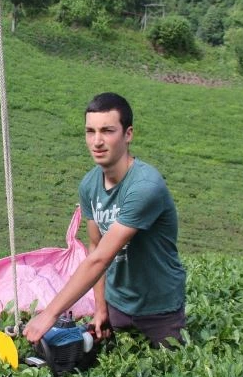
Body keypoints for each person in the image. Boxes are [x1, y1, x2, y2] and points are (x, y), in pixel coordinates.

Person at [23, 92, 187, 348]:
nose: (97, 141)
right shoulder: (89, 185)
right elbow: (95, 246)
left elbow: (101, 259)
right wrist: (101, 309)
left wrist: (50, 313)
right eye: (90, 131)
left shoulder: (145, 186)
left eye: (107, 131)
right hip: (117, 304)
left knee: (171, 371)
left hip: (159, 308)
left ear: (128, 134)